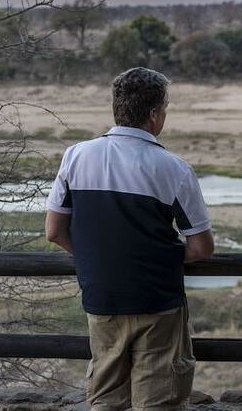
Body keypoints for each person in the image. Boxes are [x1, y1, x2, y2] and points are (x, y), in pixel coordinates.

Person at [45, 67, 214, 411]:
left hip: (102, 295)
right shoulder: (173, 168)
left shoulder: (76, 156)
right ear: (154, 115)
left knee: (106, 398)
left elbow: (54, 231)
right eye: (164, 110)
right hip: (157, 300)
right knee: (159, 398)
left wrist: (99, 260)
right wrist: (156, 256)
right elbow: (201, 247)